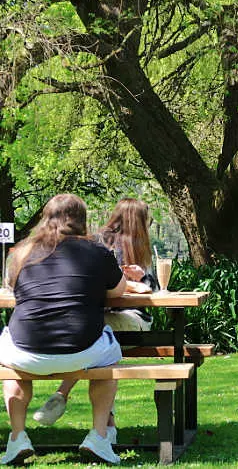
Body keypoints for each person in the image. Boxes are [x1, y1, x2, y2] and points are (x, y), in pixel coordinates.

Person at [0, 194, 125, 465]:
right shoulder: (97, 251)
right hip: (82, 349)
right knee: (111, 356)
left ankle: (17, 437)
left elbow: (11, 286)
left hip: (26, 350)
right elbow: (118, 290)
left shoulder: (21, 252)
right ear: (83, 220)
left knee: (9, 362)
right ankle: (99, 436)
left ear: (46, 218)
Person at [33, 198, 156, 430]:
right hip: (102, 322)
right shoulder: (102, 244)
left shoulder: (110, 244)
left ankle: (63, 394)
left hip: (127, 320)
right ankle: (105, 428)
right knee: (97, 338)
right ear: (138, 220)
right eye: (146, 220)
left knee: (96, 333)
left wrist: (142, 278)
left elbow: (154, 290)